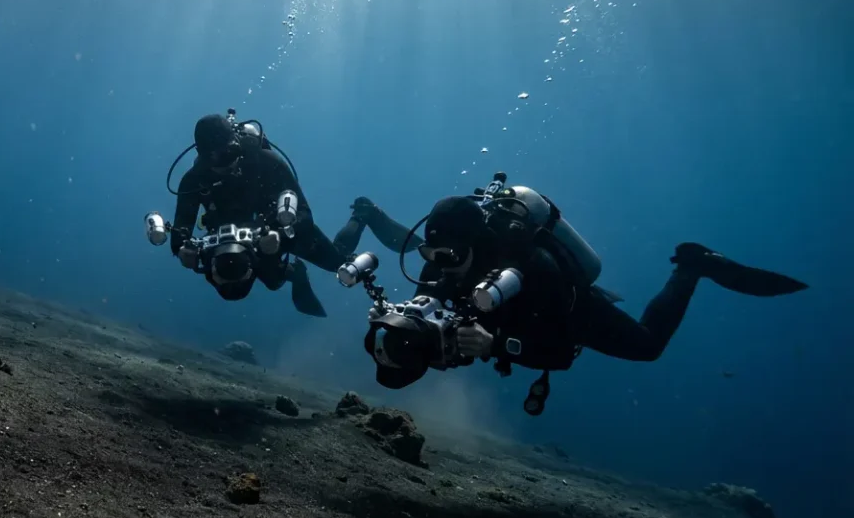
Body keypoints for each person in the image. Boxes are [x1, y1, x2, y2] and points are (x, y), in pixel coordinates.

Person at [352, 179, 808, 411]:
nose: (439, 264)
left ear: (475, 243)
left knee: (648, 347)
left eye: (449, 254)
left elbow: (561, 351)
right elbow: (433, 314)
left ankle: (692, 267)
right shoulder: (441, 260)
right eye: (432, 253)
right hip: (506, 318)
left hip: (564, 311)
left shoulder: (532, 267)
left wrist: (496, 344)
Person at [168, 113, 366, 317]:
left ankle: (362, 214)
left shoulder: (266, 162)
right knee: (249, 285)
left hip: (276, 231)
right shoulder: (194, 180)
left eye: (228, 153)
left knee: (340, 265)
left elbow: (304, 214)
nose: (224, 165)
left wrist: (280, 235)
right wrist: (183, 249)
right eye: (213, 158)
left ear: (236, 144)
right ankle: (292, 272)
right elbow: (180, 228)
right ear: (202, 156)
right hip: (229, 244)